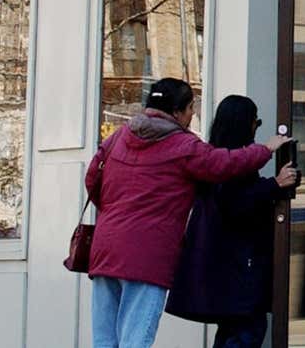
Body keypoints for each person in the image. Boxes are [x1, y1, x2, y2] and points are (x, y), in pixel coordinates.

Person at [85, 78, 291, 348]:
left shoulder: (119, 136)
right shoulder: (182, 145)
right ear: (176, 111)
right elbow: (224, 163)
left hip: (105, 248)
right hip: (145, 255)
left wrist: (115, 212)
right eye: (191, 107)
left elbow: (92, 179)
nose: (193, 114)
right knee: (135, 339)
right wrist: (265, 149)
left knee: (105, 340)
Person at [164, 95, 298, 347]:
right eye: (255, 122)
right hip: (238, 266)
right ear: (244, 123)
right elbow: (234, 201)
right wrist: (275, 184)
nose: (257, 128)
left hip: (223, 267)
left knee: (232, 332)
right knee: (246, 330)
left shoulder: (213, 156)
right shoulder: (232, 161)